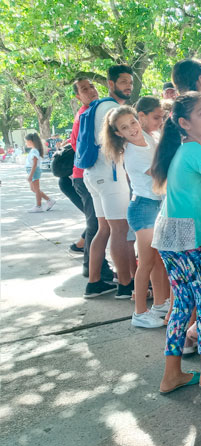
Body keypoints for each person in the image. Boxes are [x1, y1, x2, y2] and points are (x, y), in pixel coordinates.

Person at [150, 92, 201, 393]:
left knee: (183, 303)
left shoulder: (181, 150)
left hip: (169, 232)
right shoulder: (197, 152)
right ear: (184, 123)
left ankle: (172, 373)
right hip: (190, 236)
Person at [100, 105, 170, 328]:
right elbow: (160, 174)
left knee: (159, 261)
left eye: (133, 122)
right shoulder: (132, 154)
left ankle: (160, 304)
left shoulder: (149, 137)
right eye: (124, 127)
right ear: (118, 133)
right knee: (147, 262)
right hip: (144, 208)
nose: (132, 128)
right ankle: (139, 312)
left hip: (157, 205)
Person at [82, 64, 135, 300]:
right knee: (120, 230)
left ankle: (94, 282)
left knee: (104, 229)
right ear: (111, 84)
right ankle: (125, 284)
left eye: (130, 82)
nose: (128, 86)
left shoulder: (97, 105)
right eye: (123, 82)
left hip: (93, 174)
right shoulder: (113, 108)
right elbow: (125, 141)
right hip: (110, 176)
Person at [69, 77, 114, 281]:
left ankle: (97, 270)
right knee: (96, 225)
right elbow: (77, 146)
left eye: (92, 86)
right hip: (85, 177)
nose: (91, 91)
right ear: (78, 97)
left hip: (85, 176)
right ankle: (93, 271)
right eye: (84, 89)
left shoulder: (93, 111)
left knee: (98, 225)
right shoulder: (85, 115)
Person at [24, 132, 54, 213]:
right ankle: (49, 200)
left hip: (33, 171)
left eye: (26, 141)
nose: (25, 143)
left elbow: (34, 164)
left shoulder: (34, 151)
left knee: (36, 189)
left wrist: (30, 175)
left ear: (30, 141)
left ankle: (38, 206)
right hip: (32, 171)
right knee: (33, 189)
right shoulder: (34, 150)